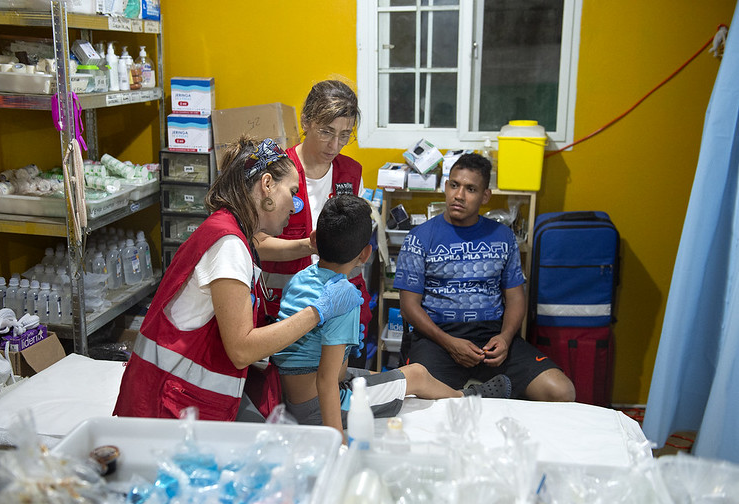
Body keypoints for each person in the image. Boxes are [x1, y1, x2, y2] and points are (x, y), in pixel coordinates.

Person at [113, 137, 364, 423]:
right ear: (267, 185)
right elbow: (242, 349)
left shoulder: (227, 228)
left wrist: (309, 246)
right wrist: (319, 311)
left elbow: (257, 251)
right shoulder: (229, 246)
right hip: (169, 407)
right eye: (293, 193)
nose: (295, 207)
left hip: (176, 398)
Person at [271, 195, 511, 441]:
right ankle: (466, 397)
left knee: (394, 375)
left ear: (313, 240)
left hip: (294, 393)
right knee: (416, 374)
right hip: (315, 407)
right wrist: (337, 441)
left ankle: (458, 392)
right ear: (365, 254)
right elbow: (327, 380)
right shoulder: (343, 298)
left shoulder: (301, 278)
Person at [394, 153, 576, 402]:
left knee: (561, 391)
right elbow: (408, 306)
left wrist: (505, 337)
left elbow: (515, 298)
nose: (459, 195)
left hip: (491, 338)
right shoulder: (419, 237)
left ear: (485, 196)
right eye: (454, 185)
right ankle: (467, 396)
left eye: (471, 189)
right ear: (446, 186)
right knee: (418, 402)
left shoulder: (503, 237)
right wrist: (450, 344)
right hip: (438, 338)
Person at [255, 80, 372, 345]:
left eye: (345, 135)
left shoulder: (352, 173)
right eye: (326, 132)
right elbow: (256, 244)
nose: (335, 145)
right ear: (305, 122)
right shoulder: (275, 173)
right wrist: (311, 246)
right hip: (285, 311)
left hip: (341, 309)